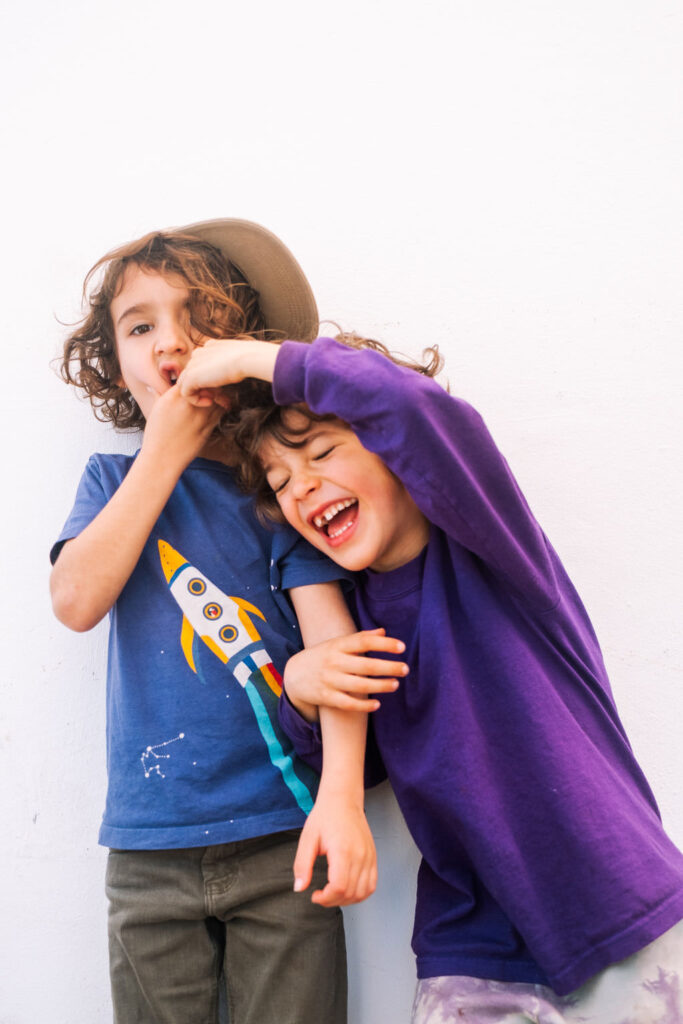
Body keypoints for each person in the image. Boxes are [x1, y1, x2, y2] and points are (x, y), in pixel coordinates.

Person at [177, 332, 683, 1023]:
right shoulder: (352, 621)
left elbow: (410, 407)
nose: (304, 487)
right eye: (281, 482)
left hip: (612, 902)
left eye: (323, 453)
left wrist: (250, 359)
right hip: (469, 939)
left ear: (396, 453)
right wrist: (299, 686)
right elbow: (355, 770)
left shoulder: (493, 549)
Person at [49, 222, 384, 1024]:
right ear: (114, 361)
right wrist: (162, 451)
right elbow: (74, 602)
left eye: (197, 317)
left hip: (284, 838)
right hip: (146, 847)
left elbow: (333, 646)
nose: (169, 342)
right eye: (140, 325)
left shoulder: (281, 492)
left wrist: (341, 800)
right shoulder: (111, 480)